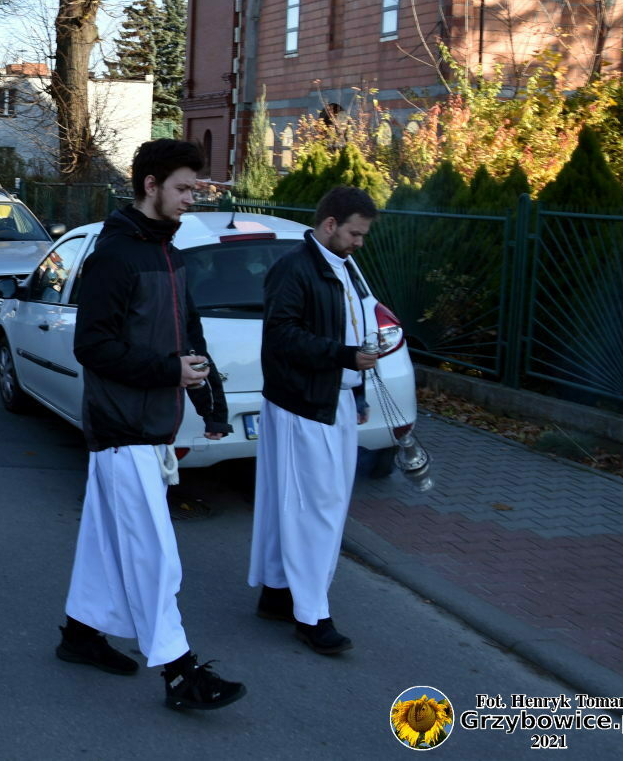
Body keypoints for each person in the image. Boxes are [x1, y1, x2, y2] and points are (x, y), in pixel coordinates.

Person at [56, 138, 245, 712]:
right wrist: (168, 371)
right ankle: (180, 673)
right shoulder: (114, 256)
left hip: (151, 425)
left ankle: (80, 636)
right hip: (122, 429)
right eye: (183, 188)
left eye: (194, 188)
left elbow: (192, 338)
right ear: (150, 185)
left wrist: (213, 405)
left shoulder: (171, 253)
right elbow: (91, 347)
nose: (191, 198)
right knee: (154, 556)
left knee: (105, 545)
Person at [250, 185, 380, 655]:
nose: (359, 242)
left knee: (298, 505)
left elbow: (355, 326)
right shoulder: (294, 267)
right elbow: (281, 336)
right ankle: (312, 616)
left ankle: (276, 593)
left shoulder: (343, 265)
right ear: (330, 224)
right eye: (354, 233)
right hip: (302, 403)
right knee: (314, 510)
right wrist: (344, 357)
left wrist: (357, 390)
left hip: (331, 400)